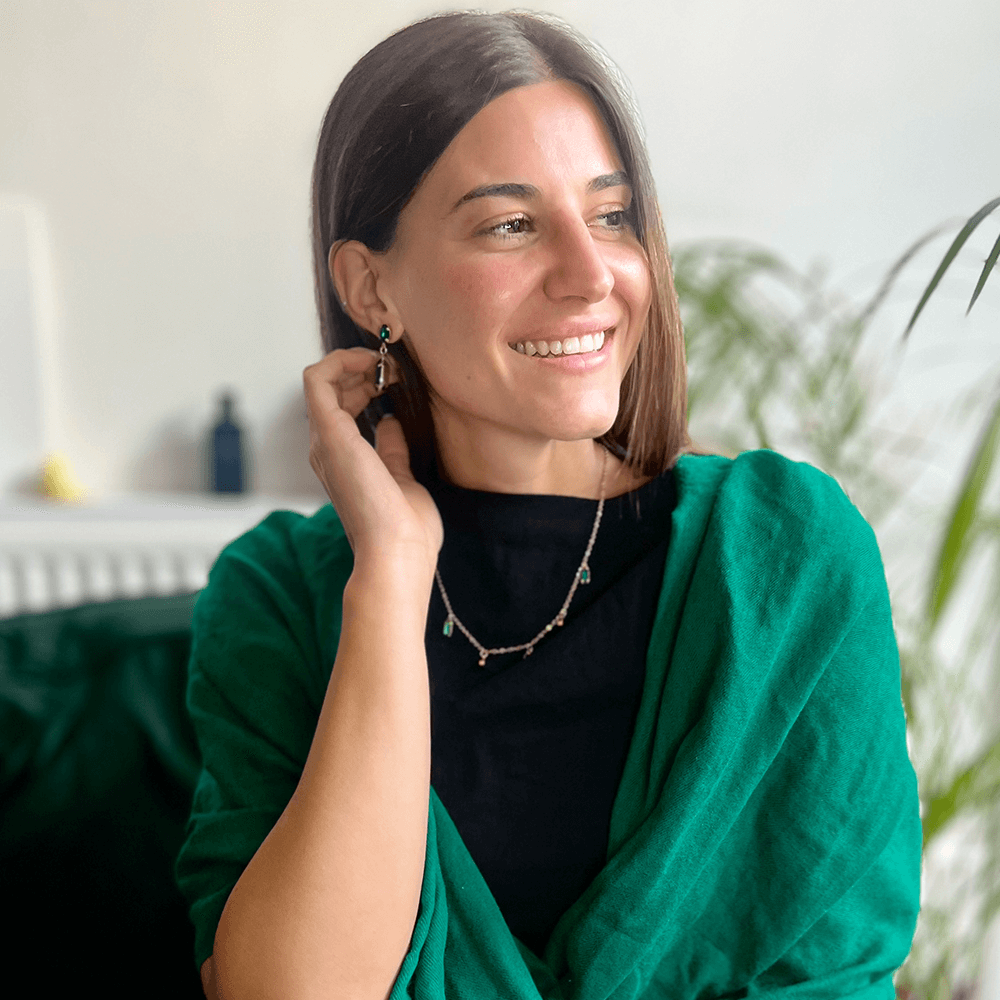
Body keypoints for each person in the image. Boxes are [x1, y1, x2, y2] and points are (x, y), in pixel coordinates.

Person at [176, 11, 922, 1000]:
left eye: (611, 216)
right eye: (511, 224)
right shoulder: (277, 596)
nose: (589, 276)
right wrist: (391, 575)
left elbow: (836, 975)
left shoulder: (786, 556)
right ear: (369, 286)